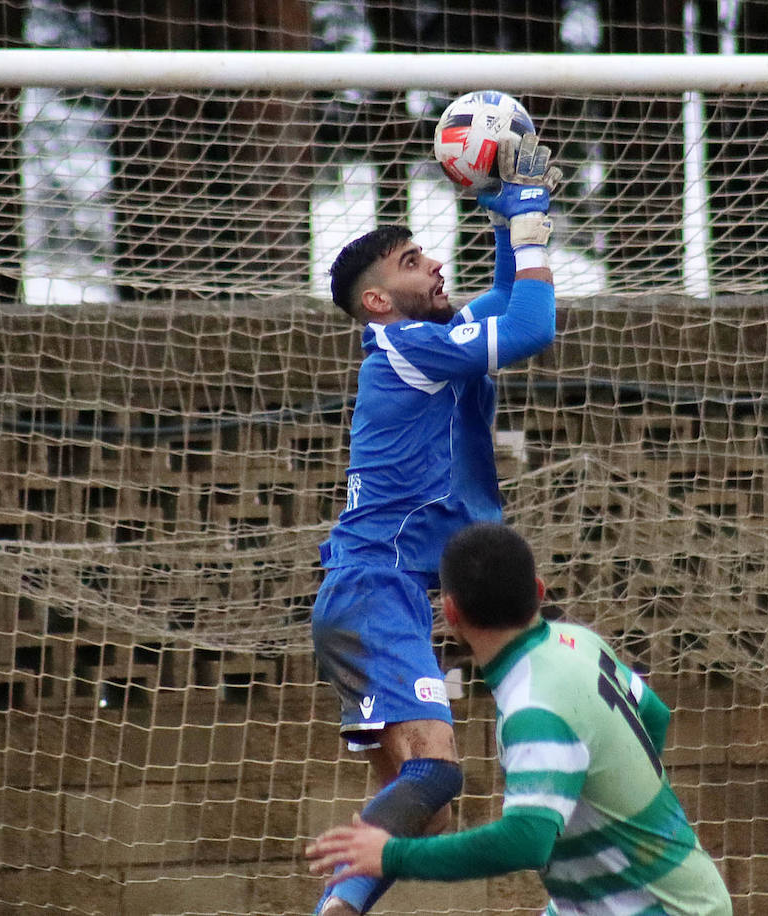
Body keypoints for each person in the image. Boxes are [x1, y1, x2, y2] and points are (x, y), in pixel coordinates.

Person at [309, 134, 562, 916]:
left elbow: (509, 299)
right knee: (440, 774)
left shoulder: (426, 342)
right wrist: (528, 211)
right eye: (414, 262)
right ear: (379, 300)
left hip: (366, 594)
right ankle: (333, 908)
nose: (434, 266)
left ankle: (344, 906)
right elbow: (531, 328)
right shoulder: (407, 348)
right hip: (375, 590)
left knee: (432, 810)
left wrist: (500, 217)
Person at [307, 522, 734, 916]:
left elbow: (525, 840)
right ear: (539, 589)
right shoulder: (579, 643)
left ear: (451, 613)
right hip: (688, 895)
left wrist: (390, 854)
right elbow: (654, 713)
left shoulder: (533, 707)